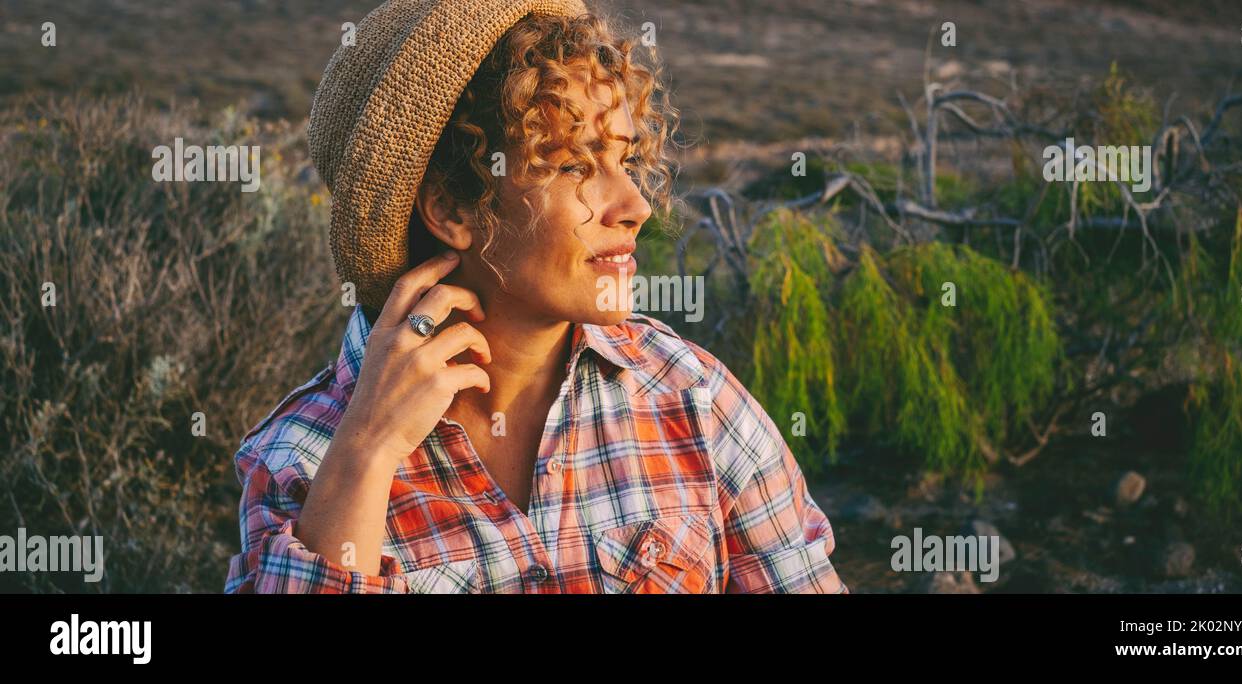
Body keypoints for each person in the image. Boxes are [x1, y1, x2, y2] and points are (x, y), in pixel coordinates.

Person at [224, 0, 848, 594]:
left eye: (624, 160)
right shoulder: (301, 460)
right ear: (451, 207)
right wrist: (366, 452)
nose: (634, 206)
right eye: (574, 166)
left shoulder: (692, 399)